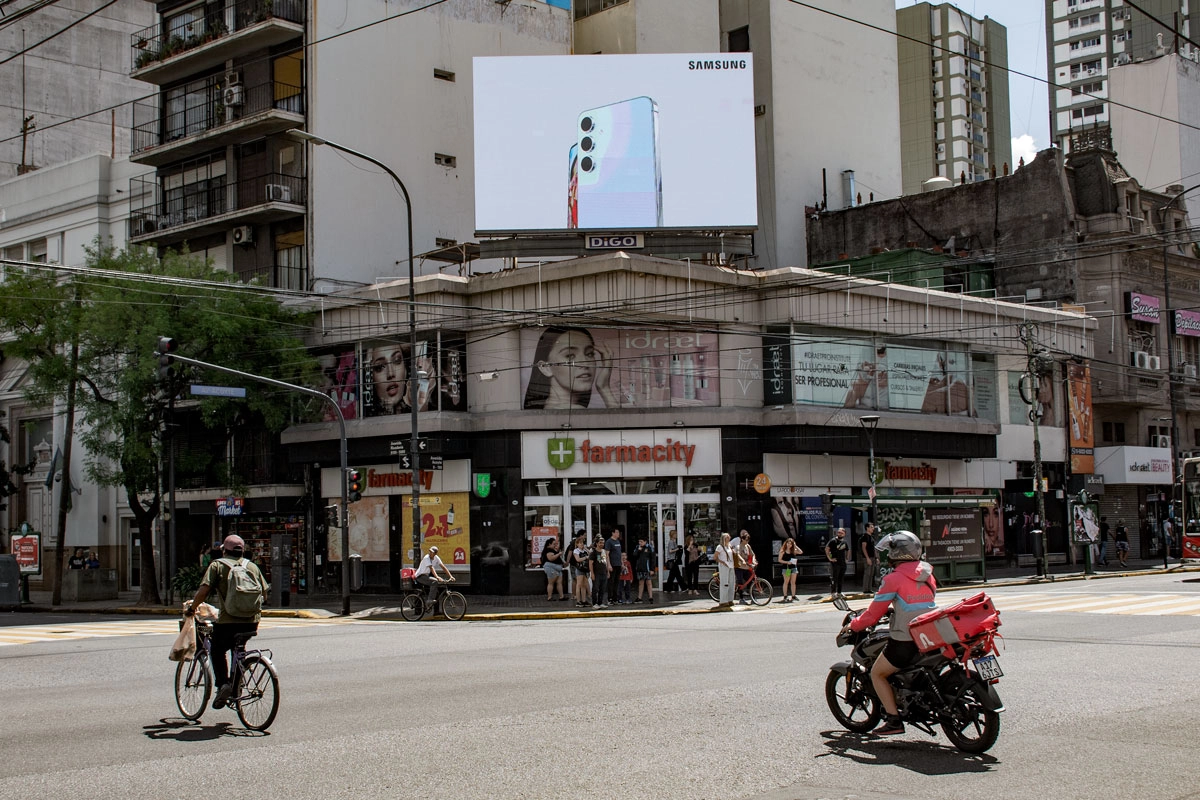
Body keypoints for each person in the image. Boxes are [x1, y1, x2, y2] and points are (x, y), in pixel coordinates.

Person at [842, 530, 937, 737]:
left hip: (905, 639)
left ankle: (894, 721)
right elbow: (919, 603)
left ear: (897, 553)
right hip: (929, 636)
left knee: (877, 673)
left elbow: (872, 615)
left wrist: (853, 625)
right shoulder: (928, 575)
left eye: (890, 551)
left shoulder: (893, 579)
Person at [184, 534, 269, 710]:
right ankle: (236, 686)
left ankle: (223, 684)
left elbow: (203, 591)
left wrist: (192, 608)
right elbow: (264, 594)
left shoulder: (217, 565)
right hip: (252, 622)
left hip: (228, 622)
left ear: (224, 550)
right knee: (239, 649)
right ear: (242, 551)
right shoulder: (252, 567)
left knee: (217, 649)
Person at [523, 326, 619, 410]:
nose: (585, 363)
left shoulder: (548, 407)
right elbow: (620, 423)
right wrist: (604, 388)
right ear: (545, 367)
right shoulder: (575, 411)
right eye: (570, 356)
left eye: (589, 354)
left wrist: (603, 386)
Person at [824, 526, 849, 599]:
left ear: (844, 534)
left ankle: (839, 592)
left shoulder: (844, 542)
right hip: (835, 563)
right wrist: (830, 558)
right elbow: (827, 549)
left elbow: (848, 550)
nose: (840, 534)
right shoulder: (833, 541)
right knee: (834, 578)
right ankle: (833, 592)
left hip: (842, 562)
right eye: (839, 532)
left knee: (841, 578)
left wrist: (847, 558)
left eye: (841, 533)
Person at [733, 530, 756, 604]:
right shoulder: (738, 546)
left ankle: (753, 598)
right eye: (746, 540)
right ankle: (741, 598)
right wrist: (742, 560)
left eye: (748, 540)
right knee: (740, 583)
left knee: (750, 582)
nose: (747, 541)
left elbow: (752, 554)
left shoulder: (748, 546)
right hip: (739, 567)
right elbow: (738, 555)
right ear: (742, 539)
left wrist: (753, 561)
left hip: (746, 567)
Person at [778, 536, 802, 602]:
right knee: (786, 581)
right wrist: (787, 562)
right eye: (788, 543)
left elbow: (800, 552)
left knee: (793, 582)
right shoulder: (783, 551)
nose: (789, 545)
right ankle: (785, 596)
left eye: (791, 544)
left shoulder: (793, 551)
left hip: (793, 567)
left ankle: (793, 596)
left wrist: (795, 545)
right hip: (787, 568)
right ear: (786, 543)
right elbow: (779, 560)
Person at [541, 537, 565, 601]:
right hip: (552, 568)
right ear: (549, 544)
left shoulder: (553, 550)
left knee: (559, 582)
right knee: (551, 583)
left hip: (557, 568)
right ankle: (549, 597)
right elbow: (551, 558)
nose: (555, 545)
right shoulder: (548, 550)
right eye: (554, 544)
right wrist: (558, 554)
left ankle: (561, 596)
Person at [632, 536, 655, 603]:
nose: (640, 543)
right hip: (640, 568)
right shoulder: (637, 547)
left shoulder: (649, 547)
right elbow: (634, 555)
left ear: (645, 541)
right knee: (641, 582)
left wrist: (652, 569)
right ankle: (639, 597)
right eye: (639, 541)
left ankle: (650, 597)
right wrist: (638, 551)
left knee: (648, 582)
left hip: (647, 568)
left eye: (641, 541)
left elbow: (653, 559)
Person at [714, 532, 735, 607]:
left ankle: (730, 600)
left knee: (732, 583)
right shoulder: (719, 547)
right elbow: (715, 557)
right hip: (724, 566)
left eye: (729, 537)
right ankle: (723, 601)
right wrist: (722, 562)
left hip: (731, 565)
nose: (729, 539)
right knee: (724, 583)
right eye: (727, 538)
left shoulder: (729, 546)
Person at [570, 534, 591, 607]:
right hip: (579, 568)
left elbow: (591, 554)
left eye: (583, 543)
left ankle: (584, 600)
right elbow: (578, 559)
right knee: (579, 584)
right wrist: (585, 557)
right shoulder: (576, 551)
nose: (582, 544)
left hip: (585, 569)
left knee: (584, 585)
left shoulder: (584, 550)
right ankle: (578, 601)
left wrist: (586, 549)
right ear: (577, 544)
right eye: (580, 543)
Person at [589, 538, 610, 609]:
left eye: (603, 543)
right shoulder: (593, 552)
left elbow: (606, 562)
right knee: (595, 588)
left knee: (602, 589)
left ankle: (600, 602)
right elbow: (590, 563)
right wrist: (592, 573)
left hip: (604, 572)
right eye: (600, 543)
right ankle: (594, 603)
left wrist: (608, 572)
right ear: (597, 543)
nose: (602, 544)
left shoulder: (604, 551)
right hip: (596, 573)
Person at [604, 528, 623, 603]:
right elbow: (607, 554)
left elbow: (619, 553)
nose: (618, 534)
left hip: (618, 564)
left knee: (617, 582)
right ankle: (610, 598)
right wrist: (609, 565)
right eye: (617, 532)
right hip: (612, 564)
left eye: (618, 532)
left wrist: (621, 563)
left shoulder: (618, 541)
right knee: (611, 581)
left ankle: (615, 597)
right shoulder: (609, 542)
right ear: (613, 533)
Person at [860, 522, 877, 594]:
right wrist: (867, 558)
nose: (873, 529)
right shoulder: (865, 537)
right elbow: (863, 547)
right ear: (867, 528)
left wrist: (876, 557)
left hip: (873, 557)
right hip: (868, 557)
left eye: (873, 527)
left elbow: (874, 548)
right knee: (867, 573)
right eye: (871, 527)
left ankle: (869, 588)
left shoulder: (871, 537)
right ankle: (865, 589)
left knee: (871, 573)